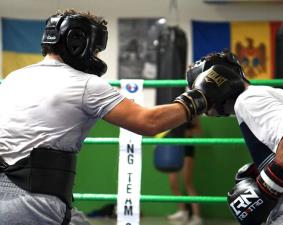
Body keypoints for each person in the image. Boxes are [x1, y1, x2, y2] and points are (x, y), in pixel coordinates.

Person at [0, 9, 244, 225]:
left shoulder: (13, 78)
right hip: (35, 203)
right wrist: (201, 96)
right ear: (78, 42)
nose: (96, 57)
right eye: (95, 50)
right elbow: (149, 122)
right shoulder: (85, 84)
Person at [186, 49, 283, 225]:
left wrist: (266, 189)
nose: (204, 108)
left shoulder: (248, 101)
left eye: (202, 93)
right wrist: (267, 166)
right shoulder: (274, 94)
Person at [167, 117, 202, 225]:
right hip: (173, 146)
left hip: (186, 146)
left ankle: (197, 216)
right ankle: (182, 211)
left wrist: (188, 132)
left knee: (187, 182)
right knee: (172, 182)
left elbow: (199, 131)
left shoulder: (191, 113)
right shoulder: (169, 113)